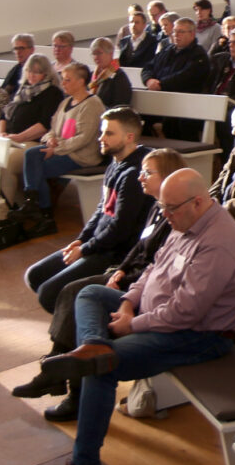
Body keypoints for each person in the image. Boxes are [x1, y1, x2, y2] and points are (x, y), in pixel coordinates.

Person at [27, 170, 235, 465]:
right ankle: (93, 345)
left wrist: (131, 325)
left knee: (103, 367)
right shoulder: (187, 220)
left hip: (198, 335)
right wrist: (129, 302)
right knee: (89, 293)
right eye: (162, 207)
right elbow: (154, 267)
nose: (164, 215)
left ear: (199, 201)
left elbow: (186, 314)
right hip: (153, 313)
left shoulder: (217, 243)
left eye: (170, 209)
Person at [11, 148, 187, 422]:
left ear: (167, 177)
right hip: (130, 277)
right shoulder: (157, 205)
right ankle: (59, 379)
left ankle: (66, 387)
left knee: (77, 294)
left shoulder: (177, 213)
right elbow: (139, 247)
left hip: (147, 291)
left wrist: (127, 281)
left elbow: (159, 266)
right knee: (75, 297)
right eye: (141, 171)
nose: (141, 177)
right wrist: (122, 269)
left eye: (148, 172)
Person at [23, 106, 152, 314]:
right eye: (102, 132)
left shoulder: (134, 174)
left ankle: (79, 326)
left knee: (49, 294)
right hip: (98, 244)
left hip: (115, 253)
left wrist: (85, 249)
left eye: (109, 133)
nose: (101, 138)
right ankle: (73, 315)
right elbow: (102, 209)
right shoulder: (115, 162)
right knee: (35, 275)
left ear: (129, 137)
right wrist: (81, 240)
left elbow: (120, 229)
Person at [13, 63, 107, 234]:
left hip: (81, 156)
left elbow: (84, 139)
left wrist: (55, 150)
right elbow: (52, 129)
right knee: (32, 155)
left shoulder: (92, 104)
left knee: (36, 167)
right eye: (63, 80)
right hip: (64, 151)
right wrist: (50, 140)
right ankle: (38, 209)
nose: (63, 84)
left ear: (80, 81)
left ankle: (42, 212)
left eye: (67, 80)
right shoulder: (65, 102)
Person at [0, 54, 64, 212]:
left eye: (36, 72)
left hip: (32, 142)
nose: (31, 76)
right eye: (29, 71)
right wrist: (2, 134)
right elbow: (3, 116)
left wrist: (18, 137)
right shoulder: (22, 90)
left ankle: (3, 213)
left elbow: (44, 125)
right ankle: (12, 203)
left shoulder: (52, 93)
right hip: (10, 139)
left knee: (6, 162)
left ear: (46, 74)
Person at [143, 17, 213, 141]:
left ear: (192, 34)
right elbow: (148, 67)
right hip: (161, 100)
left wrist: (161, 84)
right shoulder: (167, 50)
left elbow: (185, 77)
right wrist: (149, 80)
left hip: (187, 103)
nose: (176, 35)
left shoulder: (198, 54)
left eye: (181, 31)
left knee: (177, 125)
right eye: (174, 31)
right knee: (137, 117)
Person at [88, 37, 133, 109]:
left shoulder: (119, 76)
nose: (96, 57)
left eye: (99, 53)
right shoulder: (92, 75)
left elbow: (120, 107)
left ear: (110, 54)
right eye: (93, 53)